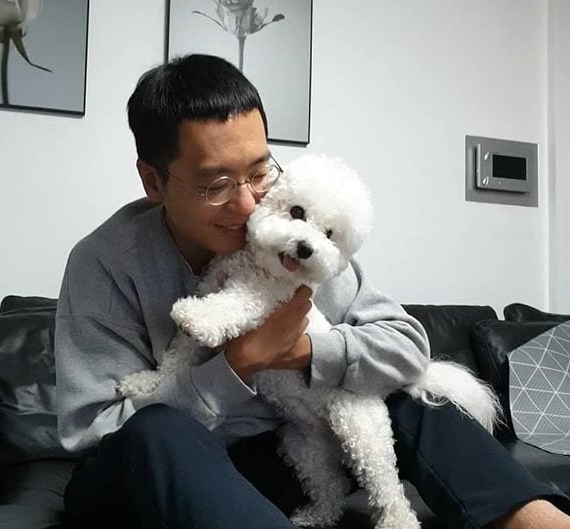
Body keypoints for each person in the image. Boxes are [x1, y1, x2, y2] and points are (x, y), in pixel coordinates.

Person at [55, 54, 570, 529]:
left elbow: (408, 347)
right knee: (158, 432)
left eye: (259, 172)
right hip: (150, 480)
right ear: (153, 180)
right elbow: (94, 430)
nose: (246, 204)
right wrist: (239, 365)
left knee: (405, 395)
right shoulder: (105, 262)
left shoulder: (291, 228)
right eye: (215, 185)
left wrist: (305, 352)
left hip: (276, 457)